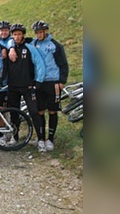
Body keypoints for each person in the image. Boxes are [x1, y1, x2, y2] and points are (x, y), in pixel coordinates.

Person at [0, 23, 46, 151]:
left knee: (34, 112)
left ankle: (41, 139)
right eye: (15, 34)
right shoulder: (8, 48)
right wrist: (0, 81)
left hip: (28, 86)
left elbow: (40, 65)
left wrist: (38, 82)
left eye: (19, 34)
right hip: (13, 86)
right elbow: (5, 68)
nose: (17, 37)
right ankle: (16, 137)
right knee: (14, 112)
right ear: (12, 36)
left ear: (23, 35)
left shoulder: (29, 48)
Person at [31, 20, 69, 152]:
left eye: (41, 32)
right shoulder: (33, 43)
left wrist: (62, 81)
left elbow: (63, 64)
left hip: (53, 82)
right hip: (39, 82)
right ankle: (41, 138)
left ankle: (50, 139)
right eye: (36, 32)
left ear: (45, 31)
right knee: (40, 111)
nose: (39, 34)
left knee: (52, 111)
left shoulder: (55, 45)